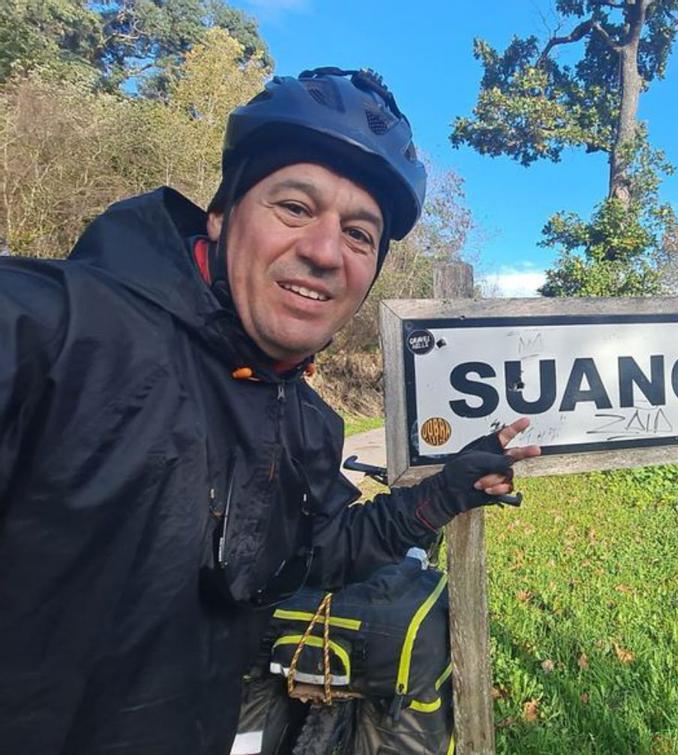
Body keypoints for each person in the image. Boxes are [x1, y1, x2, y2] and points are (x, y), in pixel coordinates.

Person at [0, 67, 539, 754]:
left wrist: (448, 489)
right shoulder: (61, 334)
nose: (323, 251)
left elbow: (318, 552)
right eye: (293, 206)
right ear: (221, 216)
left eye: (358, 234)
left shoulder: (305, 420)